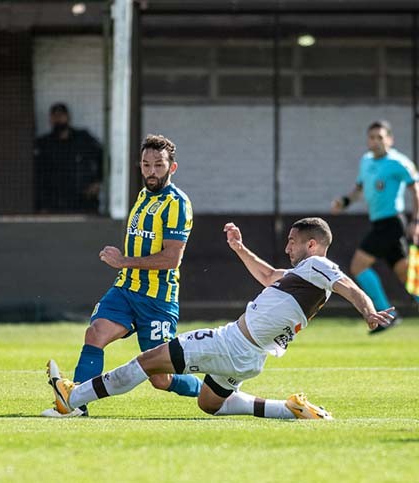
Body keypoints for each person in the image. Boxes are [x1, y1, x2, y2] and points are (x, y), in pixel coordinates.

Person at [47, 218, 394, 420]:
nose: (288, 247)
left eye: (293, 242)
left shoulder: (320, 266)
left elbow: (348, 284)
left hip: (230, 342)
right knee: (210, 404)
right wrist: (240, 249)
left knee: (148, 362)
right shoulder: (303, 275)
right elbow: (271, 274)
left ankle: (72, 398)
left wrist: (367, 310)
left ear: (313, 245)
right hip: (250, 358)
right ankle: (290, 409)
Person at [41, 134, 203, 418]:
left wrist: (123, 260)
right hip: (126, 289)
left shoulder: (177, 203)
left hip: (157, 299)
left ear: (172, 168)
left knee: (160, 379)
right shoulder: (142, 196)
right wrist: (124, 265)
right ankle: (74, 403)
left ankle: (214, 392)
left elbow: (172, 258)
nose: (152, 172)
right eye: (146, 165)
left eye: (159, 165)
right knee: (95, 334)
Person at [331, 120, 419, 334]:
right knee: (406, 274)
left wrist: (416, 222)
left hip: (392, 223)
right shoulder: (366, 161)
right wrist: (345, 201)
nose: (376, 141)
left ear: (390, 139)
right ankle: (391, 314)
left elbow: (416, 190)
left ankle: (386, 314)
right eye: (372, 137)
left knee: (358, 266)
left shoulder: (398, 162)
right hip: (379, 222)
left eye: (380, 137)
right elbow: (359, 188)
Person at [33, 102, 103, 213]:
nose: (58, 120)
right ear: (50, 119)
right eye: (55, 116)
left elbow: (103, 157)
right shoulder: (44, 144)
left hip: (82, 201)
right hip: (55, 202)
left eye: (61, 116)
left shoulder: (83, 139)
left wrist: (97, 182)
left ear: (68, 117)